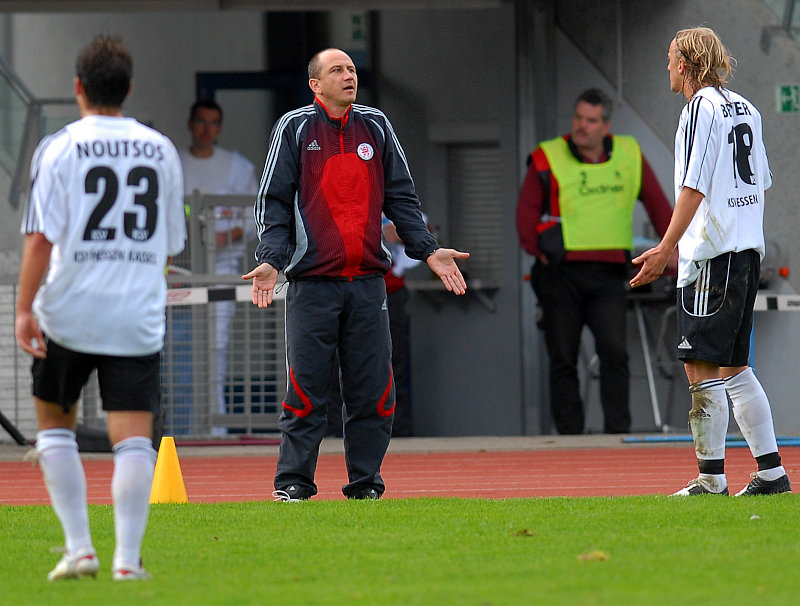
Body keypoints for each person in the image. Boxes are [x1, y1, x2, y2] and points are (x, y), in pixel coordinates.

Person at [243, 48, 468, 501]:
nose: (348, 76)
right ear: (315, 84)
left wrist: (427, 251)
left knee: (373, 393)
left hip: (368, 285)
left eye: (350, 69)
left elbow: (402, 199)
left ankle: (365, 484)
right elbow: (273, 202)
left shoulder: (377, 126)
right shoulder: (294, 128)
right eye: (336, 71)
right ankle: (293, 484)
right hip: (312, 285)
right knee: (305, 394)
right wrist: (271, 258)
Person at [15, 35, 186, 580]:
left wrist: (23, 310)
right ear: (129, 88)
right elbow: (170, 244)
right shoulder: (160, 150)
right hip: (134, 314)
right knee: (134, 440)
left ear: (78, 88)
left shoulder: (59, 148)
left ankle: (79, 548)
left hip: (69, 308)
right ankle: (127, 561)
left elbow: (40, 239)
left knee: (55, 428)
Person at [630, 26, 791, 496]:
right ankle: (771, 473)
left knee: (699, 365)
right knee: (734, 366)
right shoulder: (746, 107)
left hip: (711, 256)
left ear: (684, 64)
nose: (666, 67)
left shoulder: (698, 109)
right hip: (745, 251)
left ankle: (711, 479)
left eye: (668, 59)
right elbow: (760, 181)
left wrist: (666, 248)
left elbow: (693, 186)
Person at [516, 88, 673, 435]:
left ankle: (618, 433)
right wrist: (539, 248)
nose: (582, 127)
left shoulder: (629, 155)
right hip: (560, 274)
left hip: (608, 275)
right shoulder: (548, 156)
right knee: (563, 357)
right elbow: (525, 215)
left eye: (590, 120)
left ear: (606, 125)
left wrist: (672, 249)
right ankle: (571, 437)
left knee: (614, 353)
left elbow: (660, 208)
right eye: (578, 118)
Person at [178, 99, 259, 435]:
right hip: (180, 267)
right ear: (190, 124)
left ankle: (216, 426)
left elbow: (257, 217)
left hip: (223, 266)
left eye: (213, 123)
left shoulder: (237, 167)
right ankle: (181, 425)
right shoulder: (176, 164)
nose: (206, 130)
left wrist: (227, 236)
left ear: (220, 128)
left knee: (216, 343)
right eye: (200, 122)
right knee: (180, 347)